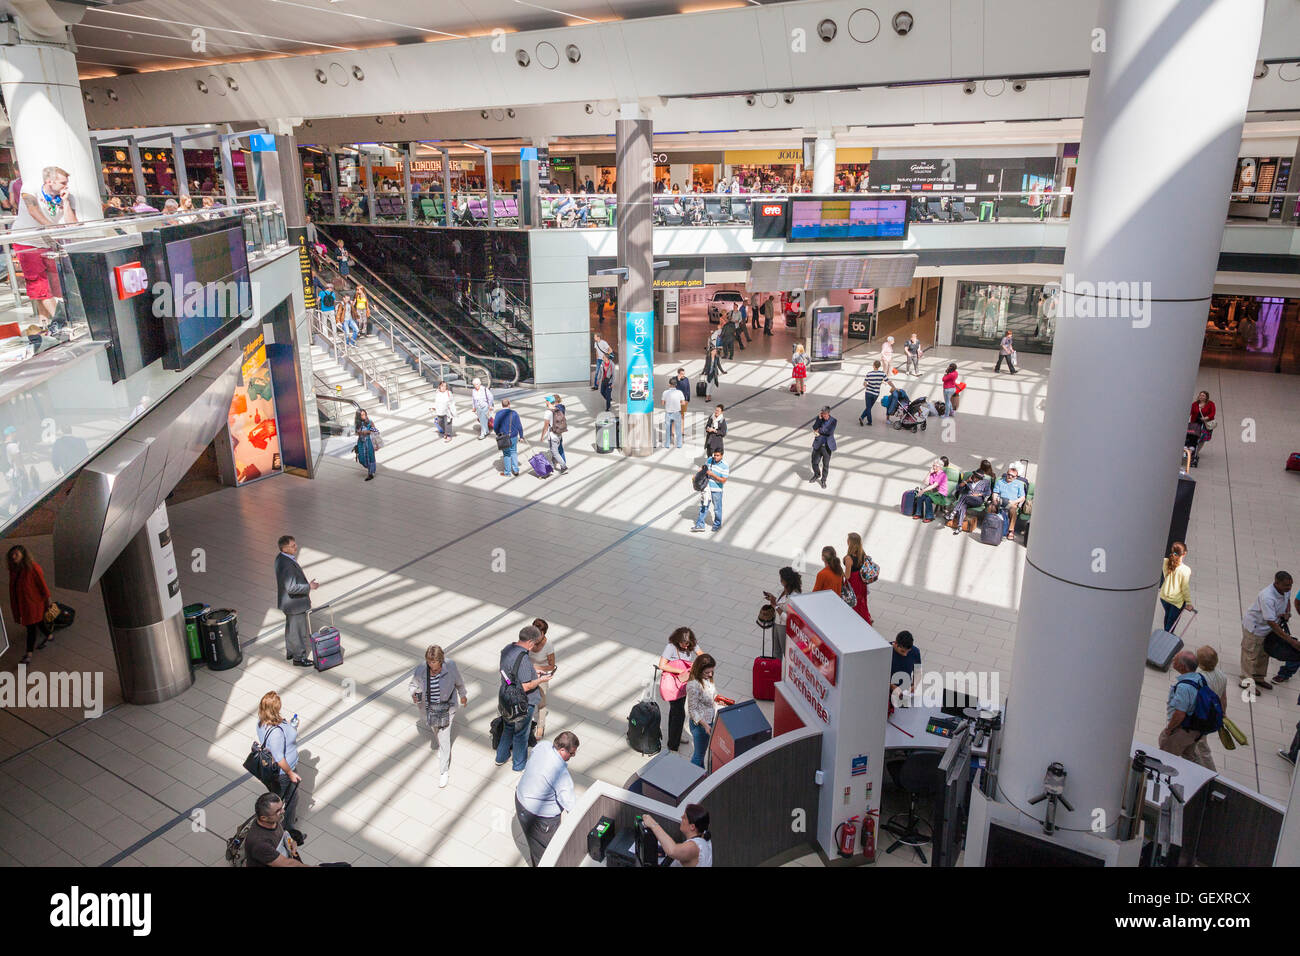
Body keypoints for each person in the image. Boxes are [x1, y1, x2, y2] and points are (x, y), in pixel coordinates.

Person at [12, 166, 78, 320]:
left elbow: (73, 224)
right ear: (49, 182)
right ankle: (62, 320)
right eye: (62, 183)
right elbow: (33, 210)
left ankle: (46, 322)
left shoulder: (67, 196)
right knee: (39, 283)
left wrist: (66, 202)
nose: (66, 186)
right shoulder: (30, 188)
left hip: (47, 242)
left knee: (55, 283)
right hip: (26, 241)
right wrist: (53, 227)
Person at [515, 730, 579, 866]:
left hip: (521, 801)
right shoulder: (560, 773)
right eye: (572, 753)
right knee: (549, 853)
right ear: (562, 750)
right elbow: (571, 805)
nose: (573, 756)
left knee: (535, 846)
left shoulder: (543, 746)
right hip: (542, 820)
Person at [408, 644, 468, 788]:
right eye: (429, 661)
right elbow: (412, 685)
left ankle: (444, 771)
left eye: (433, 662)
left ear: (440, 660)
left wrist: (463, 695)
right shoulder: (422, 669)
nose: (431, 664)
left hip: (447, 707)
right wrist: (414, 694)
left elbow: (459, 682)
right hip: (429, 708)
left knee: (444, 736)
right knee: (436, 731)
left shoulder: (450, 666)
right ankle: (442, 748)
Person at [497, 625, 553, 771]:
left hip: (505, 696)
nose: (533, 647)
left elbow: (511, 671)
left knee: (508, 727)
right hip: (521, 702)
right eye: (534, 644)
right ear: (530, 642)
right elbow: (526, 686)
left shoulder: (507, 649)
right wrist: (541, 679)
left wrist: (535, 671)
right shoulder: (524, 659)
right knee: (521, 734)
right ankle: (519, 765)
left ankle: (501, 757)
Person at [255, 691, 306, 844]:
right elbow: (279, 757)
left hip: (276, 772)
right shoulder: (275, 733)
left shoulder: (261, 722)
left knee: (281, 798)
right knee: (288, 799)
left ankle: (286, 821)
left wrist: (290, 726)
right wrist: (290, 773)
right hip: (284, 772)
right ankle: (287, 830)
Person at [1158, 651, 1216, 771]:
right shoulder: (1199, 678)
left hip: (1183, 729)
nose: (1173, 659)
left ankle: (1162, 776)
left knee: (1165, 754)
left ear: (1182, 667)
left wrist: (1169, 730)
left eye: (1176, 659)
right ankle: (1201, 777)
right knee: (1190, 756)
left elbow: (1180, 714)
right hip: (1195, 728)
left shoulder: (1184, 687)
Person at [1240, 571, 1294, 690]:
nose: (1289, 588)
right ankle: (1246, 681)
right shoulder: (1267, 597)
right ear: (1277, 583)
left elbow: (1288, 600)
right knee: (1250, 655)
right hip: (1256, 628)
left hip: (1269, 629)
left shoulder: (1285, 589)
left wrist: (1287, 612)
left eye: (1290, 585)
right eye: (1286, 586)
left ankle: (1259, 677)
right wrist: (1289, 640)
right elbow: (1271, 622)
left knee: (1264, 653)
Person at [274, 536, 317, 667]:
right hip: (295, 604)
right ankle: (299, 658)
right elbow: (292, 588)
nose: (296, 547)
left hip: (287, 603)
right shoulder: (288, 565)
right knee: (299, 632)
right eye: (293, 546)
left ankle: (291, 651)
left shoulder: (280, 558)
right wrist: (309, 586)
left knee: (291, 628)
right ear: (284, 548)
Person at [8, 545, 53, 665]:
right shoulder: (14, 570)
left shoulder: (33, 568)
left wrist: (48, 601)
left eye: (16, 554)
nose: (13, 557)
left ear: (23, 555)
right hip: (24, 605)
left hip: (33, 605)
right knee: (38, 623)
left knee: (31, 628)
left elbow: (43, 585)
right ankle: (49, 635)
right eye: (12, 554)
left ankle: (28, 654)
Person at [659, 627, 702, 752]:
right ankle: (673, 745)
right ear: (677, 640)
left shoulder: (690, 644)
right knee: (679, 713)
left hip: (683, 684)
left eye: (688, 643)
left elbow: (702, 655)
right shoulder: (671, 647)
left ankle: (675, 737)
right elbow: (662, 665)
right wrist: (681, 671)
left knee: (675, 712)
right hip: (673, 684)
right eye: (683, 643)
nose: (685, 646)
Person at [243, 792, 310, 867]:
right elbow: (287, 864)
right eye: (278, 811)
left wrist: (291, 842)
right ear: (264, 818)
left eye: (282, 807)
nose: (283, 811)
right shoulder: (260, 843)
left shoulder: (273, 820)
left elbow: (283, 835)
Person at [642, 804, 713, 867]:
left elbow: (672, 850)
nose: (681, 817)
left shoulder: (694, 847)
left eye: (684, 817)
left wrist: (653, 824)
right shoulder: (704, 835)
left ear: (692, 827)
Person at [686, 654, 719, 768]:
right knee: (699, 755)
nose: (710, 675)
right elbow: (692, 710)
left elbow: (710, 694)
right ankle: (691, 779)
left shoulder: (707, 679)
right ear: (699, 670)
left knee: (701, 753)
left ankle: (700, 777)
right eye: (707, 672)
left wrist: (717, 699)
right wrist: (705, 726)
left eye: (712, 672)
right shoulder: (693, 685)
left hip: (708, 720)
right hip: (701, 725)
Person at [763, 567, 802, 659]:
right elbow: (780, 604)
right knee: (775, 650)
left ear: (787, 581)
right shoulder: (783, 590)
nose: (780, 580)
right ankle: (775, 669)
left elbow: (789, 618)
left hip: (784, 627)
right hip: (776, 623)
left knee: (784, 651)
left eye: (781, 578)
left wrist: (775, 605)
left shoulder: (794, 596)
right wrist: (773, 599)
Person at [528, 618, 556, 742]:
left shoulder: (548, 645)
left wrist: (537, 667)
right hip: (527, 674)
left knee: (541, 702)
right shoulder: (528, 639)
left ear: (544, 633)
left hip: (541, 676)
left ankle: (540, 726)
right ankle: (527, 724)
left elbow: (551, 665)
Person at [1159, 542, 1195, 633]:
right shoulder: (1185, 570)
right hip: (1176, 601)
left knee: (1168, 616)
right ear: (1184, 553)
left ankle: (1165, 633)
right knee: (1171, 624)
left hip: (1164, 597)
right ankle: (1166, 639)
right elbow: (1184, 588)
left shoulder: (1165, 562)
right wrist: (1188, 603)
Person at [691, 448, 728, 533]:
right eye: (714, 455)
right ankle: (700, 525)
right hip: (707, 488)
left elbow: (723, 480)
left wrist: (712, 475)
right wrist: (697, 475)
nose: (715, 457)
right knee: (704, 507)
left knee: (717, 508)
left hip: (717, 490)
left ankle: (717, 524)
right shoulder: (710, 460)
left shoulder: (725, 466)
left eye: (717, 455)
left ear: (722, 455)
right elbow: (703, 468)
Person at [950, 467, 993, 535]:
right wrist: (966, 481)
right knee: (963, 505)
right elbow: (958, 488)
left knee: (965, 496)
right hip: (967, 500)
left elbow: (988, 493)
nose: (975, 479)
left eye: (977, 478)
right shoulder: (969, 480)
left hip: (977, 500)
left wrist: (978, 494)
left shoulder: (985, 482)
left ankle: (954, 511)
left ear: (980, 478)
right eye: (975, 477)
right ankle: (959, 526)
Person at [844, 532, 874, 626]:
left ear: (850, 542)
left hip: (853, 583)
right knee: (862, 601)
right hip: (861, 582)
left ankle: (854, 621)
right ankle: (866, 617)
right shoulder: (863, 554)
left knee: (852, 602)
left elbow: (847, 576)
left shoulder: (849, 558)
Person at [990, 463, 1026, 540]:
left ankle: (1011, 530)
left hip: (1011, 503)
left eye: (1012, 476)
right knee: (992, 507)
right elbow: (995, 492)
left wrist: (1013, 502)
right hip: (1000, 501)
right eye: (1009, 474)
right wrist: (994, 500)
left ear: (1016, 477)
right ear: (1006, 474)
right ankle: (992, 525)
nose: (1010, 476)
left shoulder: (1019, 484)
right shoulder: (1000, 481)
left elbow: (1022, 497)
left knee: (1013, 510)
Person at [493, 398, 525, 477]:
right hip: (513, 436)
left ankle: (507, 472)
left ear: (502, 404)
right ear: (509, 404)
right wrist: (521, 436)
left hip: (503, 437)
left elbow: (495, 426)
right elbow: (519, 426)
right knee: (513, 452)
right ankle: (516, 470)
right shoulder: (514, 413)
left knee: (506, 454)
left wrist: (498, 433)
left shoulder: (498, 414)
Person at [809, 406, 837, 489]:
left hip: (827, 447)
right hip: (818, 444)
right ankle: (817, 474)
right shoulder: (820, 419)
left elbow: (829, 431)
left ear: (828, 413)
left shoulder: (833, 421)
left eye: (824, 414)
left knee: (825, 465)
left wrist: (819, 430)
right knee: (814, 462)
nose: (823, 415)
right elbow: (814, 427)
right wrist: (819, 419)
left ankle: (823, 480)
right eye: (822, 413)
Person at [913, 458, 949, 522]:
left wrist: (923, 491)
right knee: (920, 496)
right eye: (933, 465)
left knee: (928, 499)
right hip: (932, 492)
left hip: (940, 494)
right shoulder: (933, 473)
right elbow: (926, 482)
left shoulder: (942, 475)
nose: (934, 467)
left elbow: (934, 485)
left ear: (941, 467)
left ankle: (930, 517)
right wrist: (929, 473)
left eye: (936, 466)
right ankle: (919, 513)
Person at [540, 394, 569, 473]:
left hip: (553, 435)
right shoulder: (558, 409)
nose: (545, 402)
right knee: (554, 450)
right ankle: (551, 467)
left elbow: (546, 426)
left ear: (548, 402)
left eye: (546, 400)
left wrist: (542, 436)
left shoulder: (548, 412)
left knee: (554, 452)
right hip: (559, 433)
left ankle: (564, 467)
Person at [858, 361, 890, 426]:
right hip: (876, 394)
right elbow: (888, 381)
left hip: (868, 392)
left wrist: (868, 386)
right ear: (879, 366)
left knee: (868, 407)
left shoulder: (869, 374)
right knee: (869, 407)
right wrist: (894, 387)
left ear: (873, 365)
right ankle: (863, 418)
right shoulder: (882, 374)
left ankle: (868, 420)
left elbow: (864, 384)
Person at [353, 409, 379, 480]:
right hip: (361, 442)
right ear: (359, 416)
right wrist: (359, 432)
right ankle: (369, 469)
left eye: (365, 414)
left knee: (371, 457)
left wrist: (368, 431)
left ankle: (371, 473)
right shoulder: (357, 424)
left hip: (369, 442)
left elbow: (376, 430)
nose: (364, 416)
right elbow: (355, 432)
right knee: (361, 459)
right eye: (362, 415)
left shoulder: (369, 422)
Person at [662, 377, 685, 450]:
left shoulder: (665, 392)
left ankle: (667, 444)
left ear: (669, 384)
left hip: (668, 413)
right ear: (676, 384)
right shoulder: (680, 392)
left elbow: (662, 403)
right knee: (678, 429)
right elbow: (683, 403)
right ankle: (679, 444)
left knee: (668, 429)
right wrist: (677, 404)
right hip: (677, 413)